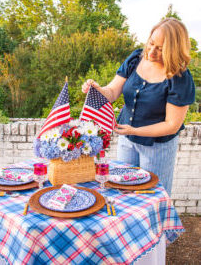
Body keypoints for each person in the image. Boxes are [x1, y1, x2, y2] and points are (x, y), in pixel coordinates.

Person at [82, 18, 195, 195]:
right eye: (151, 43)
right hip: (127, 141)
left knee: (153, 195)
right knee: (122, 191)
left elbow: (171, 125)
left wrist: (134, 131)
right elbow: (111, 92)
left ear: (173, 50)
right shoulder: (136, 58)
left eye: (160, 49)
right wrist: (96, 90)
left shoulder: (180, 77)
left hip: (158, 148)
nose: (151, 51)